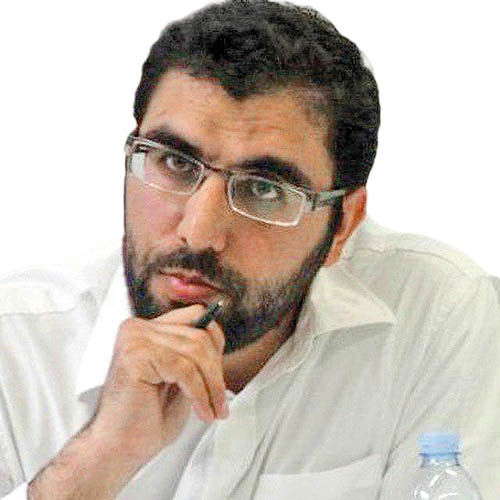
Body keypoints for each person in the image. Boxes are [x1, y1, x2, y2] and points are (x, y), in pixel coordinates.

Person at [1, 0, 499, 498]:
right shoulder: (18, 348)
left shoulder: (437, 316)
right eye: (174, 163)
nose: (199, 233)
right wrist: (100, 458)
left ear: (343, 224)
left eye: (264, 189)